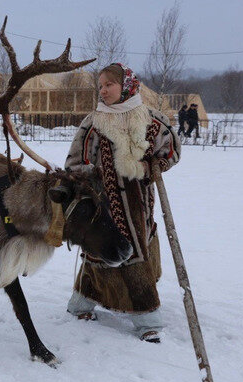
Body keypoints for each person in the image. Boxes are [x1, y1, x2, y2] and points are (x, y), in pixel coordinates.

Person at [65, 63, 181, 343]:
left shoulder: (152, 120)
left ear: (126, 86)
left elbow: (171, 150)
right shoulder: (93, 124)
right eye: (101, 86)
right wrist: (95, 175)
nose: (103, 91)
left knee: (135, 252)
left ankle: (143, 320)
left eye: (109, 85)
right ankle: (143, 319)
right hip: (103, 204)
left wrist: (156, 165)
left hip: (139, 205)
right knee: (101, 253)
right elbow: (74, 163)